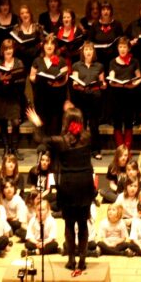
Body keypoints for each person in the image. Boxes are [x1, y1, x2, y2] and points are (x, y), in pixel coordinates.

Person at [27, 105, 96, 271]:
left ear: (66, 122)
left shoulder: (61, 141)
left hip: (68, 185)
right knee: (83, 223)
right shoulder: (87, 136)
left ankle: (71, 260)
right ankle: (83, 260)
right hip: (85, 184)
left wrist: (38, 124)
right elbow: (78, 134)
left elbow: (40, 140)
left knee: (69, 224)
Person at [70, 41, 106, 159]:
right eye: (86, 50)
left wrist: (104, 84)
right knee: (82, 125)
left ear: (93, 52)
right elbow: (74, 81)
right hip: (81, 97)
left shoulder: (99, 66)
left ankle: (96, 150)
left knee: (94, 125)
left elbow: (102, 82)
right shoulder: (77, 65)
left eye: (90, 50)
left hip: (95, 98)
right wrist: (77, 84)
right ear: (83, 52)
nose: (88, 52)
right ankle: (82, 150)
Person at [107, 37, 141, 153]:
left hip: (129, 95)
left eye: (125, 47)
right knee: (117, 122)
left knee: (128, 122)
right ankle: (120, 149)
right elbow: (111, 78)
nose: (122, 49)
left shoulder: (134, 61)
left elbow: (139, 78)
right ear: (117, 48)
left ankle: (127, 149)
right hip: (116, 95)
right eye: (120, 47)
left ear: (129, 48)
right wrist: (115, 82)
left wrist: (133, 85)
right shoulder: (113, 61)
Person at [0, 39, 26, 157]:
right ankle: (6, 148)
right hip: (1, 97)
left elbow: (22, 80)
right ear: (2, 50)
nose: (8, 51)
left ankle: (14, 148)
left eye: (10, 48)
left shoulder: (19, 63)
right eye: (6, 49)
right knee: (3, 122)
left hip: (14, 96)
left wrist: (13, 79)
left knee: (16, 122)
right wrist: (0, 80)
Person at [30, 35, 69, 137]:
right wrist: (38, 79)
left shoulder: (61, 60)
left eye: (52, 43)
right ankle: (43, 149)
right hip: (41, 97)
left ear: (55, 46)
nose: (49, 46)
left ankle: (53, 149)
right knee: (42, 124)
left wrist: (57, 83)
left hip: (56, 97)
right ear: (43, 46)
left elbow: (65, 78)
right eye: (47, 43)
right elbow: (31, 76)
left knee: (55, 124)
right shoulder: (37, 60)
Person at [88, 0, 123, 68]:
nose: (106, 12)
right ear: (100, 12)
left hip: (113, 57)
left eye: (108, 9)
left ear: (111, 11)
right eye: (103, 9)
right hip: (98, 57)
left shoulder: (117, 24)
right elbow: (90, 41)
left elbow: (121, 40)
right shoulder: (95, 25)